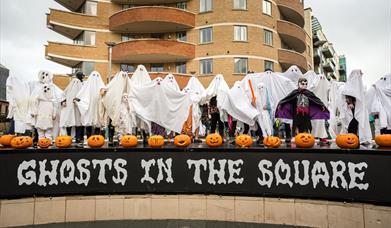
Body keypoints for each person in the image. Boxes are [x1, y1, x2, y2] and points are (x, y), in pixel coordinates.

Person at [338, 70, 372, 144]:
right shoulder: (349, 85)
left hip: (358, 107)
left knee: (358, 123)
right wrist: (349, 102)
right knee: (352, 123)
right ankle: (351, 138)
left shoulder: (360, 85)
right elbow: (347, 93)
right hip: (351, 108)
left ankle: (357, 137)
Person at [75, 71, 105, 141]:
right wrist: (77, 100)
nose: (95, 78)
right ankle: (89, 138)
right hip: (89, 107)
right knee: (89, 121)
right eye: (94, 75)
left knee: (98, 122)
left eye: (97, 76)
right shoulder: (87, 86)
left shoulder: (102, 86)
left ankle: (97, 139)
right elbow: (81, 94)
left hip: (98, 106)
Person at [60, 71, 85, 143]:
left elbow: (84, 96)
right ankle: (68, 137)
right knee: (69, 121)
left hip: (78, 108)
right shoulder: (71, 86)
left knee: (78, 122)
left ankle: (78, 138)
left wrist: (78, 100)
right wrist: (64, 101)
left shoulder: (83, 85)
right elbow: (64, 94)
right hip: (70, 106)